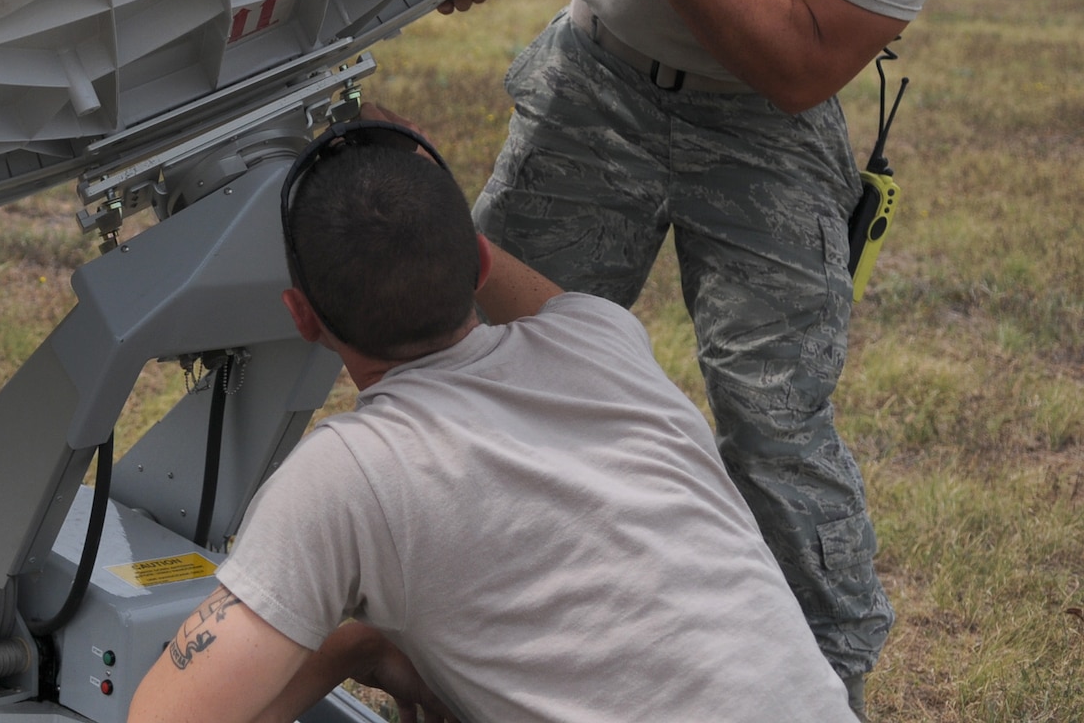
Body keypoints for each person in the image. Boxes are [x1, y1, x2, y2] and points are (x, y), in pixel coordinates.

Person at [464, 0, 1025, 711]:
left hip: (760, 127)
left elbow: (801, 65)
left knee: (772, 416)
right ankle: (465, 637)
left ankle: (825, 679)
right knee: (494, 367)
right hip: (595, 80)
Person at [127, 111, 856, 723]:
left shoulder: (347, 476)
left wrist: (352, 647)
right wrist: (409, 177)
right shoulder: (600, 341)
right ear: (476, 266)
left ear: (300, 317)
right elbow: (494, 271)